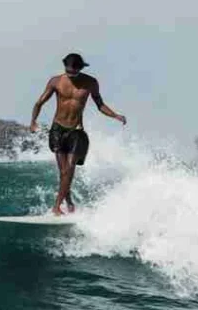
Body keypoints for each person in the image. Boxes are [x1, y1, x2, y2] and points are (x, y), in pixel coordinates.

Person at [29, 53, 126, 215]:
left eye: (74, 72)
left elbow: (99, 104)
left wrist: (115, 115)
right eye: (68, 71)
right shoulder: (56, 81)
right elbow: (39, 102)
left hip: (76, 131)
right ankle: (69, 202)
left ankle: (56, 207)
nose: (70, 74)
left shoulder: (90, 83)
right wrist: (33, 122)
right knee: (63, 172)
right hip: (57, 130)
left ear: (80, 68)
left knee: (69, 169)